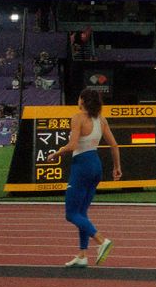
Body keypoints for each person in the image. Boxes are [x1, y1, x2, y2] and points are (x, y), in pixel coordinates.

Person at [51, 87, 119, 268]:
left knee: (71, 214)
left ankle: (101, 240)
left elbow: (72, 145)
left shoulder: (78, 117)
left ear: (82, 100)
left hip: (81, 165)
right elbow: (114, 145)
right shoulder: (101, 120)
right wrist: (117, 168)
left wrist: (56, 153)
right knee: (82, 213)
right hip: (96, 165)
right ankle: (82, 255)